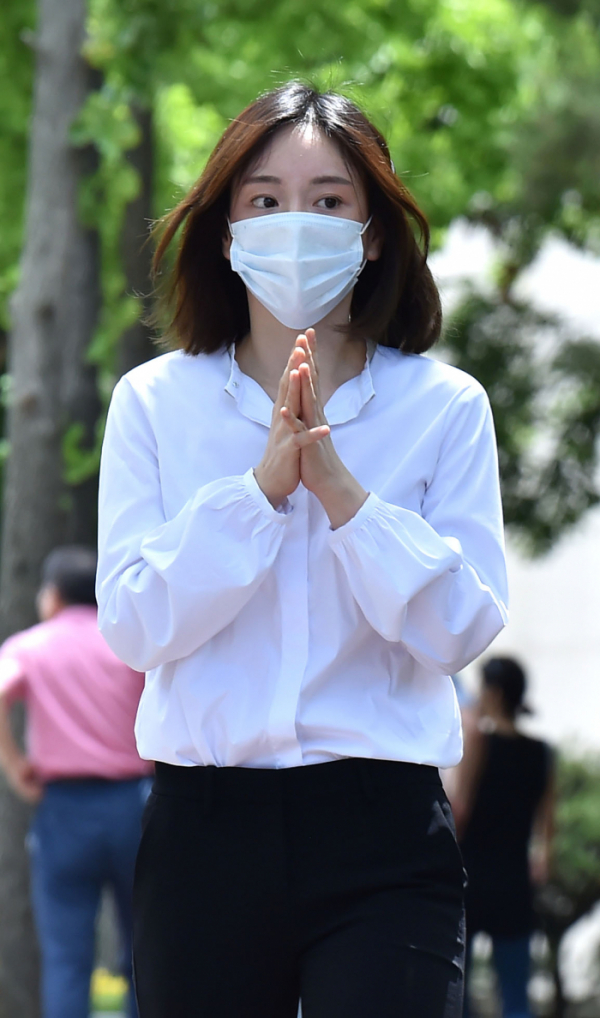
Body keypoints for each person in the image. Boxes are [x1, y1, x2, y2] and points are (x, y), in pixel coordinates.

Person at [96, 82, 509, 1018]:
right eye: (265, 199)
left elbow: (459, 629)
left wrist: (342, 494)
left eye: (328, 201)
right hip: (205, 833)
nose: (296, 225)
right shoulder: (155, 403)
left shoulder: (445, 408)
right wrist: (257, 496)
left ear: (372, 234)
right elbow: (133, 624)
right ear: (227, 233)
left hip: (383, 833)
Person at [0, 546, 152, 1018]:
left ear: (52, 596)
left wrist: (15, 765)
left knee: (66, 960)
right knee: (145, 953)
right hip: (135, 806)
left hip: (64, 811)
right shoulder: (129, 643)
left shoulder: (31, 645)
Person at [452, 656, 555, 1018]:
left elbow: (460, 810)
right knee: (516, 999)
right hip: (514, 881)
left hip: (473, 876)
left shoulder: (479, 741)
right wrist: (540, 862)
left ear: (494, 693)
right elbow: (546, 825)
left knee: (458, 996)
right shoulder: (541, 752)